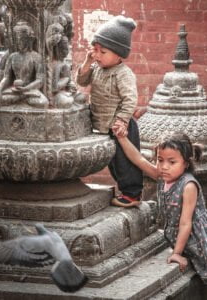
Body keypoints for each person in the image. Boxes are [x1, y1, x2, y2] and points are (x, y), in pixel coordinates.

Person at [112, 130, 207, 300]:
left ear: (186, 164)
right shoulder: (162, 176)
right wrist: (121, 138)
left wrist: (177, 253)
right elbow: (138, 159)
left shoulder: (188, 186)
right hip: (196, 243)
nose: (164, 166)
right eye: (160, 160)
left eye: (172, 162)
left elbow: (186, 223)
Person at [76, 15, 143, 208]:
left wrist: (122, 121)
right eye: (95, 50)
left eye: (102, 52)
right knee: (112, 163)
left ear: (119, 54)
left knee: (125, 163)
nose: (97, 55)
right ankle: (126, 191)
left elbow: (130, 99)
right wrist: (88, 62)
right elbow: (81, 81)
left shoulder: (123, 74)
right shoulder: (97, 68)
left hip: (121, 128)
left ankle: (132, 194)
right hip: (103, 125)